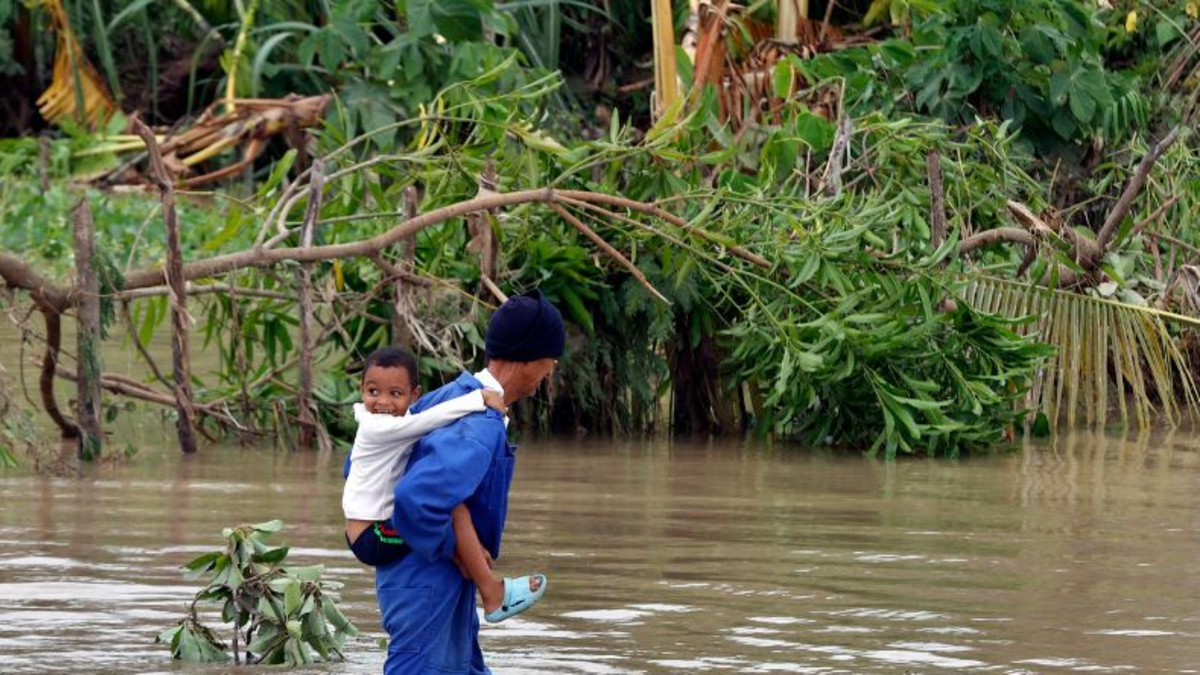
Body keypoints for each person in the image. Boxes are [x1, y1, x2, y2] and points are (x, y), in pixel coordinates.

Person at [374, 290, 565, 674]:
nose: (552, 370)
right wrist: (460, 550)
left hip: (429, 580)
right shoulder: (479, 424)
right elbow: (415, 499)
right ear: (530, 358)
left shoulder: (451, 398)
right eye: (551, 360)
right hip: (427, 581)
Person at [342, 346, 541, 625]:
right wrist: (479, 398)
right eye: (373, 392)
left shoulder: (394, 421)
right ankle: (491, 591)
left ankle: (471, 562)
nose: (382, 402)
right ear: (361, 390)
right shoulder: (377, 426)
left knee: (450, 516)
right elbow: (428, 420)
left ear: (415, 395)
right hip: (372, 537)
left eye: (395, 394)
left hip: (372, 529)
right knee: (453, 510)